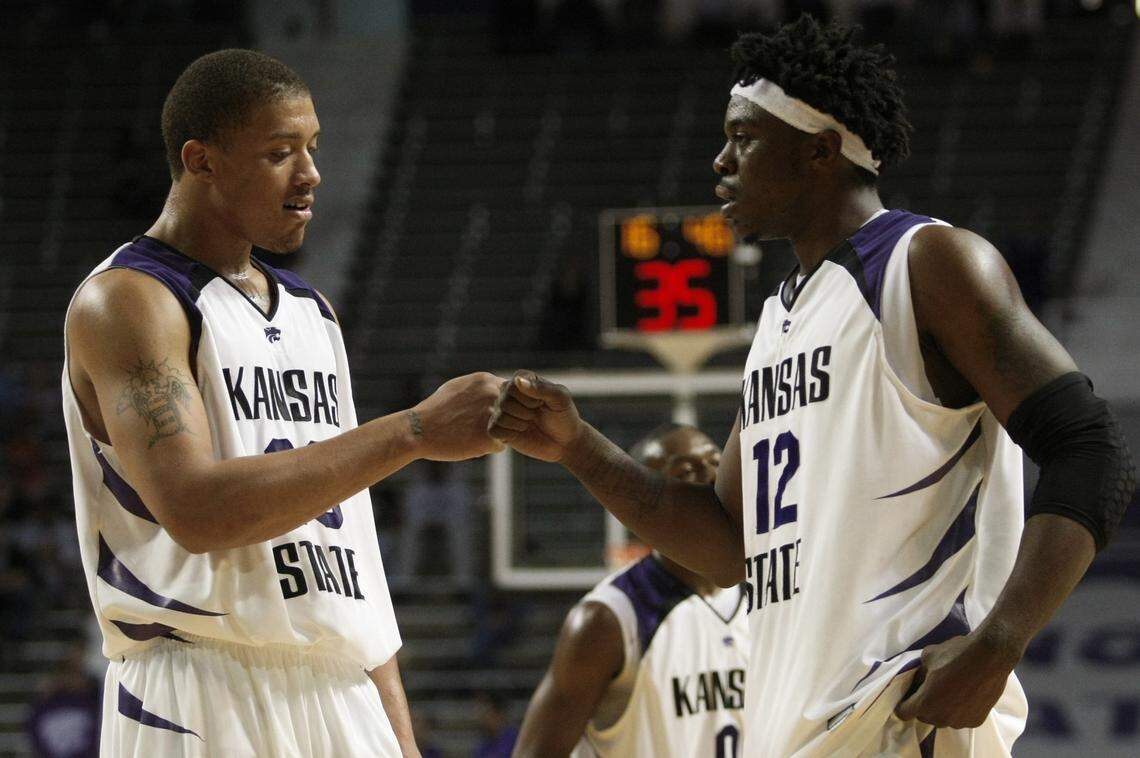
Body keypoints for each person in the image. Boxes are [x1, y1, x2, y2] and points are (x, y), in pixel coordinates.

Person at [489, 15, 1135, 757]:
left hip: (901, 715)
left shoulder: (927, 264)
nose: (720, 162)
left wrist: (1000, 643)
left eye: (744, 139)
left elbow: (1092, 449)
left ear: (820, 151)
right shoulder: (779, 321)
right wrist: (578, 446)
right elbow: (729, 546)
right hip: (794, 724)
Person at [62, 49, 503, 757]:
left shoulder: (311, 313)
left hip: (338, 682)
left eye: (313, 149)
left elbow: (350, 547)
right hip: (197, 683)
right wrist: (415, 430)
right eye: (280, 152)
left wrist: (398, 733)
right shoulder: (129, 301)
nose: (311, 175)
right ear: (201, 160)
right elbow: (197, 509)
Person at [513, 423, 748, 758]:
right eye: (686, 471)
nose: (710, 477)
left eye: (715, 461)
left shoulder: (768, 598)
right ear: (640, 505)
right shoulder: (605, 619)